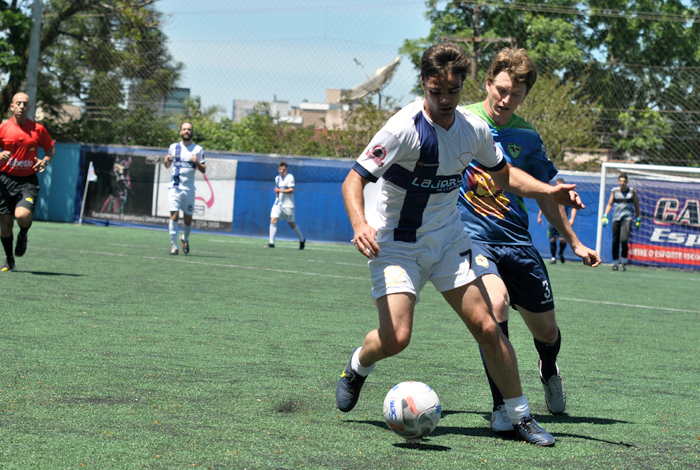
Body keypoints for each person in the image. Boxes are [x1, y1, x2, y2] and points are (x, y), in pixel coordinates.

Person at [335, 43, 586, 447]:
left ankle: (519, 416)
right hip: (397, 246)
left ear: (462, 85)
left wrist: (549, 191)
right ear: (424, 85)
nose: (446, 100)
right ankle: (357, 367)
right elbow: (353, 179)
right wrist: (360, 222)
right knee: (397, 338)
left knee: (488, 325)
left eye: (452, 91)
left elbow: (505, 177)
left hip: (450, 241)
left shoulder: (474, 129)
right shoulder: (402, 128)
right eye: (437, 92)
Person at [458, 48, 601, 435]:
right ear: (487, 83)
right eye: (501, 89)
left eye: (515, 94)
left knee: (547, 333)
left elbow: (546, 193)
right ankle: (503, 407)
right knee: (496, 306)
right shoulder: (461, 121)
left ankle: (548, 368)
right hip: (472, 237)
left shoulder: (526, 136)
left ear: (524, 97)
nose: (505, 99)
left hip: (517, 242)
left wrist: (573, 241)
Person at [0, 92, 55, 272]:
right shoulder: (3, 128)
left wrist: (45, 161)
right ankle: (9, 259)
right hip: (5, 181)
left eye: (25, 104)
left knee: (22, 216)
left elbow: (50, 149)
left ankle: (23, 235)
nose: (22, 106)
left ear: (29, 108)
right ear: (12, 106)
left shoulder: (38, 129)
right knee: (5, 225)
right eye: (18, 103)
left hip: (28, 182)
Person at [164, 122, 205, 255]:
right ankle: (174, 246)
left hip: (189, 189)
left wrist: (196, 162)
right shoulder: (173, 147)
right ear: (180, 132)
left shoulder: (198, 149)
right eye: (184, 129)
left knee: (188, 219)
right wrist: (167, 160)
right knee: (174, 215)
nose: (187, 131)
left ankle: (184, 238)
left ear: (192, 133)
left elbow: (203, 169)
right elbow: (167, 165)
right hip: (175, 187)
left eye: (189, 129)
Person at [602, 173, 641, 271]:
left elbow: (636, 205)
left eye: (624, 181)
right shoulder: (614, 191)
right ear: (618, 182)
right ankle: (615, 263)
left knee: (623, 240)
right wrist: (605, 215)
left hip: (627, 219)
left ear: (627, 182)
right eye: (621, 181)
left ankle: (623, 262)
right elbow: (610, 204)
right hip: (616, 218)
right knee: (615, 241)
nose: (622, 183)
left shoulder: (632, 192)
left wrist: (638, 218)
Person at [264, 161, 305, 249]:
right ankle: (272, 243)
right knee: (273, 219)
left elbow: (291, 190)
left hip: (288, 206)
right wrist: (277, 195)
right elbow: (277, 190)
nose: (282, 171)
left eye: (283, 169)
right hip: (278, 204)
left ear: (287, 169)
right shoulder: (277, 178)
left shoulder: (289, 177)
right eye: (280, 169)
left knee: (292, 224)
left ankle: (302, 239)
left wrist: (280, 191)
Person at [537, 178, 577, 264]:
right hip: (552, 219)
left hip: (563, 221)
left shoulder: (567, 195)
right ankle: (553, 258)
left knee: (563, 239)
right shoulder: (551, 193)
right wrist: (539, 216)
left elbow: (574, 207)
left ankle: (561, 253)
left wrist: (572, 218)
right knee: (553, 239)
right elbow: (544, 205)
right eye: (557, 185)